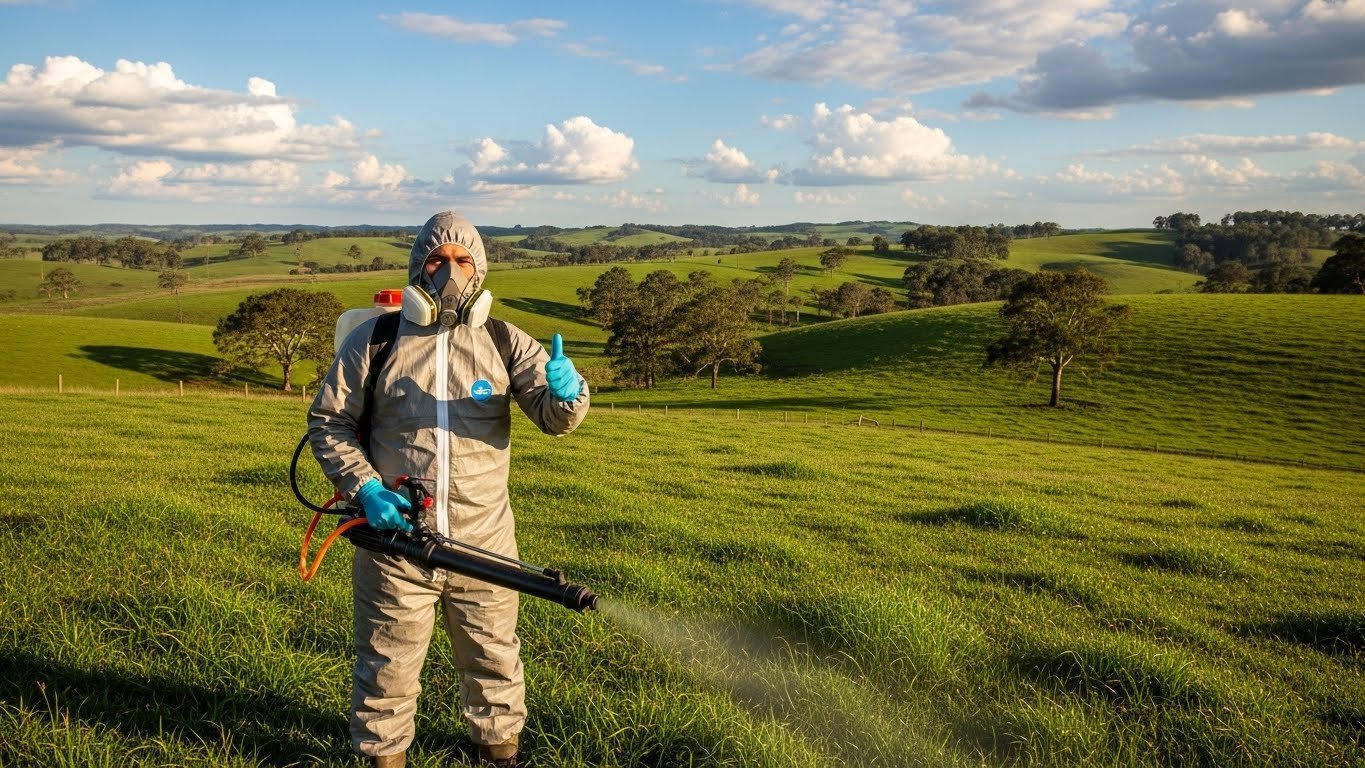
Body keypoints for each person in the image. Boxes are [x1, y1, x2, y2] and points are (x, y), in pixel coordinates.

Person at [307, 210, 589, 768]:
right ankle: (384, 757)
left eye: (462, 260)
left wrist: (567, 394)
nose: (450, 273)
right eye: (438, 259)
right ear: (418, 265)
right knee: (385, 664)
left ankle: (499, 753)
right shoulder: (376, 339)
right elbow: (329, 421)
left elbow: (554, 420)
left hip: (484, 543)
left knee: (494, 657)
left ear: (480, 268)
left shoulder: (504, 340)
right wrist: (366, 489)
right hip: (395, 542)